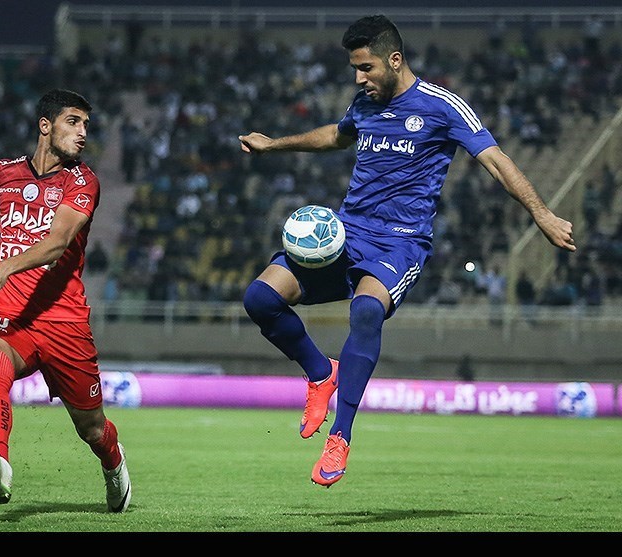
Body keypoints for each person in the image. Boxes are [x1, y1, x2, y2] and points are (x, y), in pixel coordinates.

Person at [238, 15, 576, 488]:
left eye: (366, 68)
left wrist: (541, 214)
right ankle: (320, 374)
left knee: (365, 311)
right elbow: (336, 136)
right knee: (259, 299)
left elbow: (496, 161)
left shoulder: (442, 106)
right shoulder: (365, 103)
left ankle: (341, 435)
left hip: (400, 241)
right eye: (355, 69)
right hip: (347, 231)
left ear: (394, 60)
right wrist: (273, 145)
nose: (359, 78)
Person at [0, 89, 131, 512]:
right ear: (45, 125)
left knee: (92, 429)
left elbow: (57, 243)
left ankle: (113, 461)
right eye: (73, 122)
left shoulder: (82, 182)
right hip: (13, 315)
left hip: (64, 321)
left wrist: (5, 267)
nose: (83, 133)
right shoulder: (6, 172)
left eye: (86, 124)